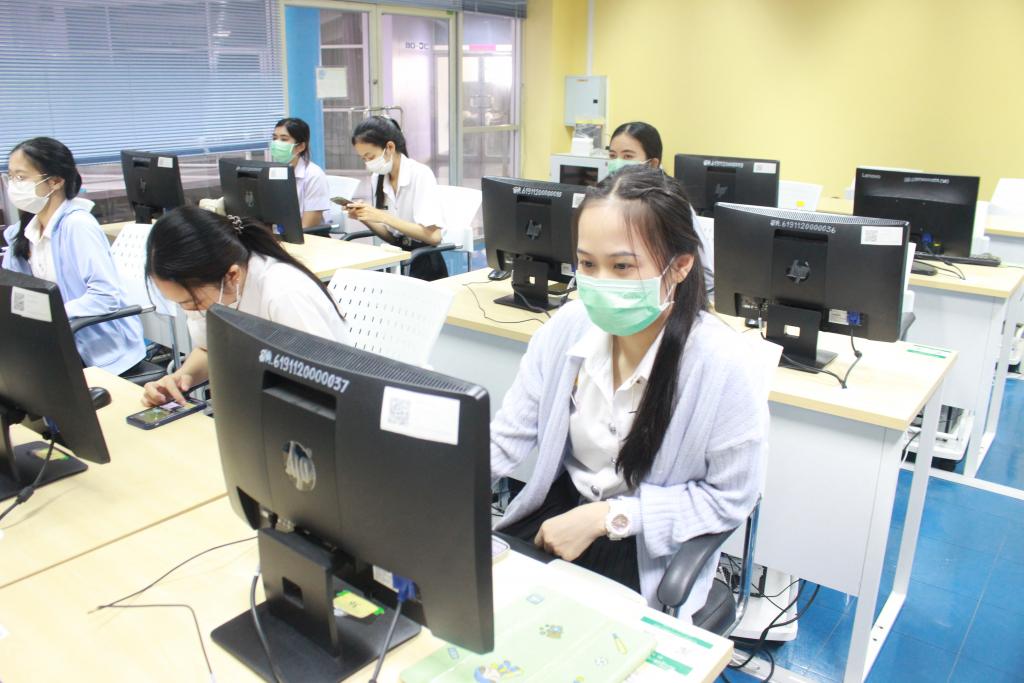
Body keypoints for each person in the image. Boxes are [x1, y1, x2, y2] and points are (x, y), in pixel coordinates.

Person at [490, 166, 768, 617]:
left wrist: (609, 518)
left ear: (680, 266)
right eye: (587, 264)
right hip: (558, 517)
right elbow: (506, 438)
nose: (600, 281)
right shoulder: (566, 328)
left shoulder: (723, 365)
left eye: (622, 266)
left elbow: (730, 498)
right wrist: (440, 486)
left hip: (642, 548)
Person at [141, 206, 348, 406]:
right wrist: (181, 377)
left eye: (190, 302)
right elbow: (209, 348)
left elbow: (325, 382)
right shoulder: (209, 288)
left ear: (232, 275)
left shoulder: (285, 294)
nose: (188, 310)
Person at [2, 137, 146, 375]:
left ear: (55, 181)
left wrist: (50, 313)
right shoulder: (23, 231)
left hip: (98, 352)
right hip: (52, 343)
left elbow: (105, 296)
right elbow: (12, 292)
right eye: (11, 176)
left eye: (21, 177)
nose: (14, 186)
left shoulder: (78, 226)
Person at [607, 121, 715, 293]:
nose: (618, 163)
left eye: (627, 156)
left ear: (652, 163)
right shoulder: (608, 200)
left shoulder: (669, 202)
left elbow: (706, 272)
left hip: (668, 296)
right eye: (613, 156)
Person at [347, 116, 448, 281]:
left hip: (423, 259)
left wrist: (383, 217)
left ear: (390, 147)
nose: (368, 163)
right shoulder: (378, 177)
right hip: (397, 257)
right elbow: (393, 237)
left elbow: (434, 237)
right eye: (363, 158)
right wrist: (364, 216)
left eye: (370, 157)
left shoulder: (420, 174)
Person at [270, 117, 331, 228]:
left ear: (301, 147)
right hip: (278, 234)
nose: (276, 143)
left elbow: (308, 226)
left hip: (307, 235)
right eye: (274, 138)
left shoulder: (314, 175)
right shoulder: (272, 171)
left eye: (284, 139)